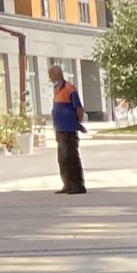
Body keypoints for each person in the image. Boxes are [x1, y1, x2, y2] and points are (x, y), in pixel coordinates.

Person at [48, 63, 86, 193]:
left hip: (69, 129)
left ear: (57, 74)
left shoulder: (70, 88)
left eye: (51, 74)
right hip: (59, 129)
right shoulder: (57, 89)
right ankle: (67, 184)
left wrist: (77, 123)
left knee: (71, 157)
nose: (49, 77)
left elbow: (79, 108)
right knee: (62, 158)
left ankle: (77, 186)